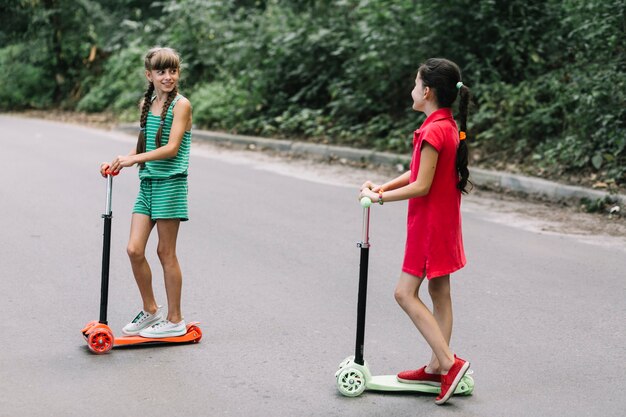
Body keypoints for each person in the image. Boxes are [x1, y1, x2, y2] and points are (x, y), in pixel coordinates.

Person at [359, 58, 471, 405]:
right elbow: (417, 172)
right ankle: (438, 366)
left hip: (429, 226)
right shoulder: (445, 125)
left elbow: (421, 185)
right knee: (440, 292)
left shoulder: (433, 131)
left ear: (426, 91)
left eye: (415, 84)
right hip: (444, 222)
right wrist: (380, 188)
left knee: (403, 294)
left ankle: (450, 364)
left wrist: (378, 201)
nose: (411, 90)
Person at [100, 47, 193, 338]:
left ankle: (176, 320)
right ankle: (152, 310)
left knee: (166, 252)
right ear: (149, 75)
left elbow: (170, 149)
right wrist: (119, 162)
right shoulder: (148, 103)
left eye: (172, 71)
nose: (168, 77)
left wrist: (133, 160)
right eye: (161, 72)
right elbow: (145, 147)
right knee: (134, 249)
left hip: (170, 184)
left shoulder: (182, 105)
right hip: (149, 185)